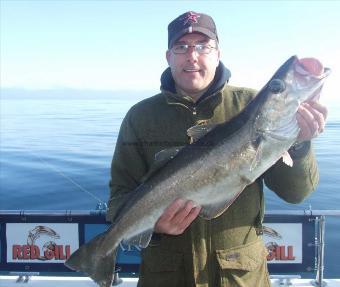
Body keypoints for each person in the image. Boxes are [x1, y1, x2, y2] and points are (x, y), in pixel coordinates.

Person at [106, 11, 328, 287]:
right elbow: (118, 196)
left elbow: (297, 193)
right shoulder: (140, 117)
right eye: (181, 47)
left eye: (202, 46)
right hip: (166, 277)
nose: (192, 56)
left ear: (218, 53)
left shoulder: (248, 103)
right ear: (168, 56)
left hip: (240, 278)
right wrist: (156, 226)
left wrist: (299, 144)